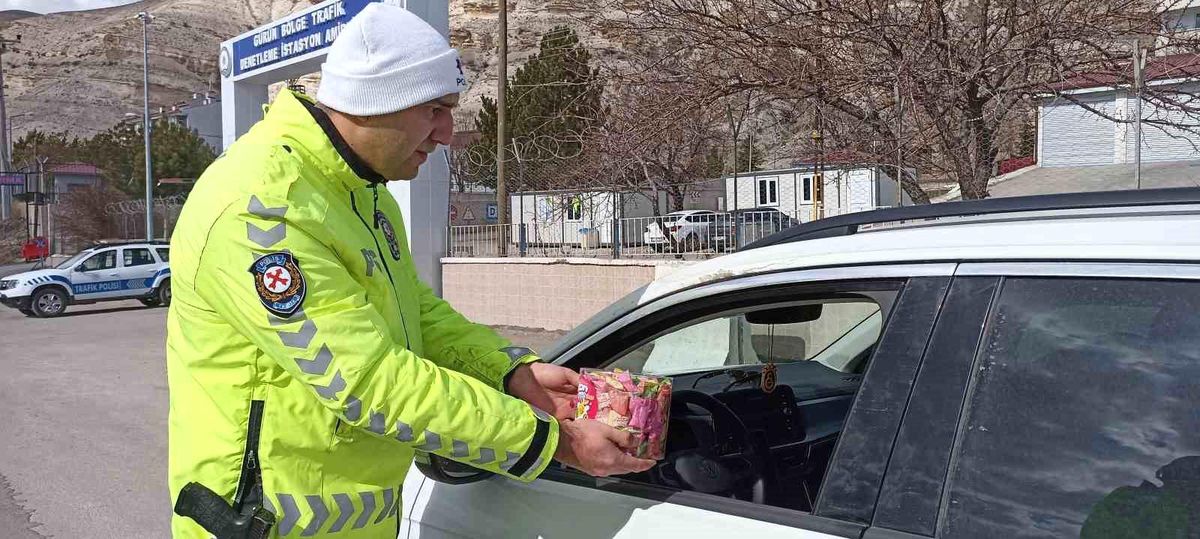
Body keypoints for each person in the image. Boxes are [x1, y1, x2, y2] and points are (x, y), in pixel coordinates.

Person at [166, 3, 654, 537]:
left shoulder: (363, 194)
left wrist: (509, 373)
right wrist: (555, 441)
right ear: (377, 101)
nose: (446, 132)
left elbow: (415, 313)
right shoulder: (261, 210)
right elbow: (367, 381)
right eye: (435, 109)